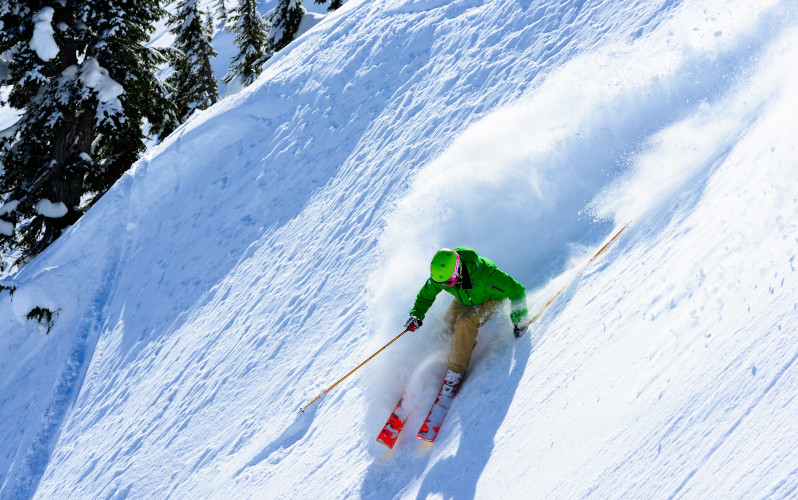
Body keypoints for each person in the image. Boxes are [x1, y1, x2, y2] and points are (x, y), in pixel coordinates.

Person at [404, 247, 528, 394]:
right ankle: (440, 356)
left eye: (448, 282)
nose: (445, 285)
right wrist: (417, 315)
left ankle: (455, 370)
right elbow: (426, 295)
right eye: (442, 283)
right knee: (447, 322)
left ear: (459, 270)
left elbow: (517, 290)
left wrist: (520, 320)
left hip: (491, 300)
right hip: (465, 298)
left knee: (464, 322)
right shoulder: (443, 276)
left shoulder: (487, 275)